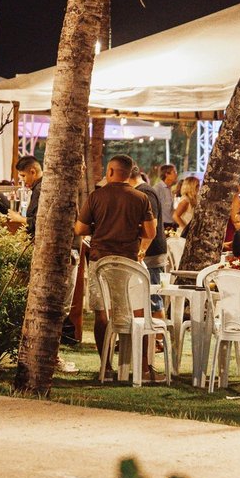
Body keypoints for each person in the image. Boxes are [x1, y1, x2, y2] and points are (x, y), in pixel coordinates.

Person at [74, 155, 157, 368]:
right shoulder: (140, 198)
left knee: (102, 314)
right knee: (136, 312)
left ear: (110, 171)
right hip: (129, 263)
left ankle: (106, 365)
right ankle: (141, 365)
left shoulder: (96, 196)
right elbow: (150, 232)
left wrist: (99, 227)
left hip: (100, 261)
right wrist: (133, 230)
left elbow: (80, 229)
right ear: (129, 173)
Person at [129, 163, 165, 310]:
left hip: (151, 254)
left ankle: (159, 327)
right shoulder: (140, 192)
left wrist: (142, 251)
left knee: (153, 301)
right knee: (145, 301)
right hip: (146, 254)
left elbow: (152, 224)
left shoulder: (145, 192)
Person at [7, 156, 43, 236]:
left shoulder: (39, 189)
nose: (21, 180)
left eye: (23, 176)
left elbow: (38, 222)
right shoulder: (40, 187)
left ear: (33, 172)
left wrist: (18, 218)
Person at [152, 164, 177, 230]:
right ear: (167, 174)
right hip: (162, 225)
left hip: (171, 224)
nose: (176, 174)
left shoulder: (170, 188)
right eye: (174, 172)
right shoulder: (157, 188)